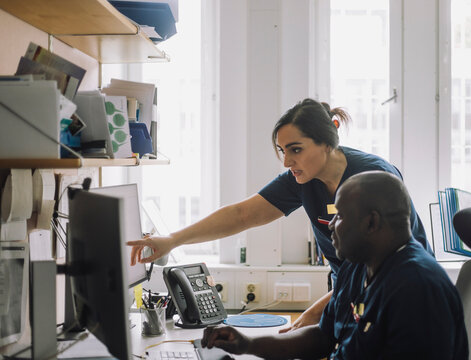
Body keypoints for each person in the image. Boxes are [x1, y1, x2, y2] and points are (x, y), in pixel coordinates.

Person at [128, 98, 431, 331]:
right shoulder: (302, 180)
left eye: (295, 149)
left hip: (397, 299)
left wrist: (316, 312)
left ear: (327, 141)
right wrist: (172, 240)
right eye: (282, 150)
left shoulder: (373, 178)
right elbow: (242, 214)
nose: (287, 161)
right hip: (349, 299)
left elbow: (383, 268)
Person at [201, 171, 468, 359]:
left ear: (371, 223)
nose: (330, 225)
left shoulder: (418, 287)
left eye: (339, 216)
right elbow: (322, 337)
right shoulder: (358, 267)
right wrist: (247, 344)